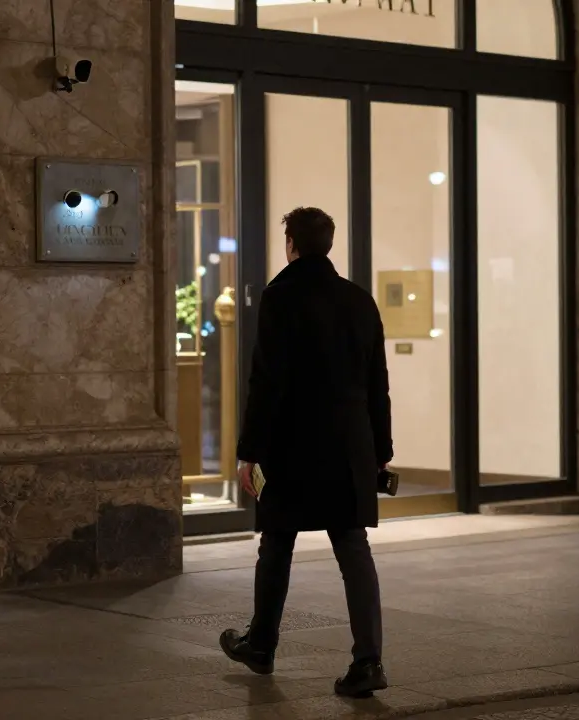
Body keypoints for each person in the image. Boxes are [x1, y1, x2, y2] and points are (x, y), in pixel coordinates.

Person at [219, 206, 392, 699]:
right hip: (350, 445)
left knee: (277, 543)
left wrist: (249, 451)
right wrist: (381, 449)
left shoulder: (280, 297)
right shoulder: (360, 301)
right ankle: (368, 660)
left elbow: (266, 381)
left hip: (293, 445)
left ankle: (262, 644)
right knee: (353, 547)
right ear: (329, 245)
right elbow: (377, 383)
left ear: (291, 244)